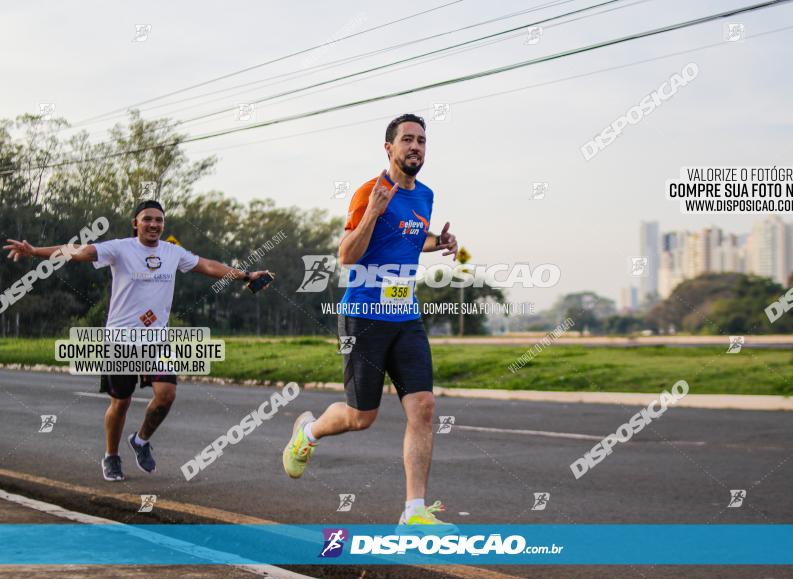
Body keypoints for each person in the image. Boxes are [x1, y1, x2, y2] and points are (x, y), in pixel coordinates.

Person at [4, 200, 270, 481]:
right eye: (147, 219)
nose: (154, 224)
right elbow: (78, 251)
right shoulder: (119, 248)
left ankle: (141, 440)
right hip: (121, 338)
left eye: (159, 220)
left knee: (166, 394)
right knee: (121, 402)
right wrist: (35, 252)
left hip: (157, 339)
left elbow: (207, 265)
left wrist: (245, 276)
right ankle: (111, 455)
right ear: (136, 223)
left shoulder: (172, 252)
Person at [282, 114, 459, 528]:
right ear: (389, 148)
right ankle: (307, 432)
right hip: (364, 315)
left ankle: (414, 512)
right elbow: (347, 254)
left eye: (421, 141)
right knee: (362, 417)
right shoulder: (369, 191)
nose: (415, 147)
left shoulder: (426, 195)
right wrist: (371, 214)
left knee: (424, 408)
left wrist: (440, 242)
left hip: (406, 316)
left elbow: (410, 237)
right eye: (407, 140)